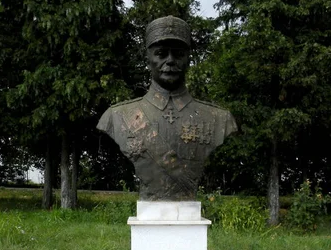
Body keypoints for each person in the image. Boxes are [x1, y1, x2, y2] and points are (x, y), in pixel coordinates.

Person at [97, 16, 237, 201]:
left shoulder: (219, 119)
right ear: (148, 58)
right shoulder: (117, 116)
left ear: (188, 59)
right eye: (161, 53)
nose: (170, 61)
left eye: (178, 54)